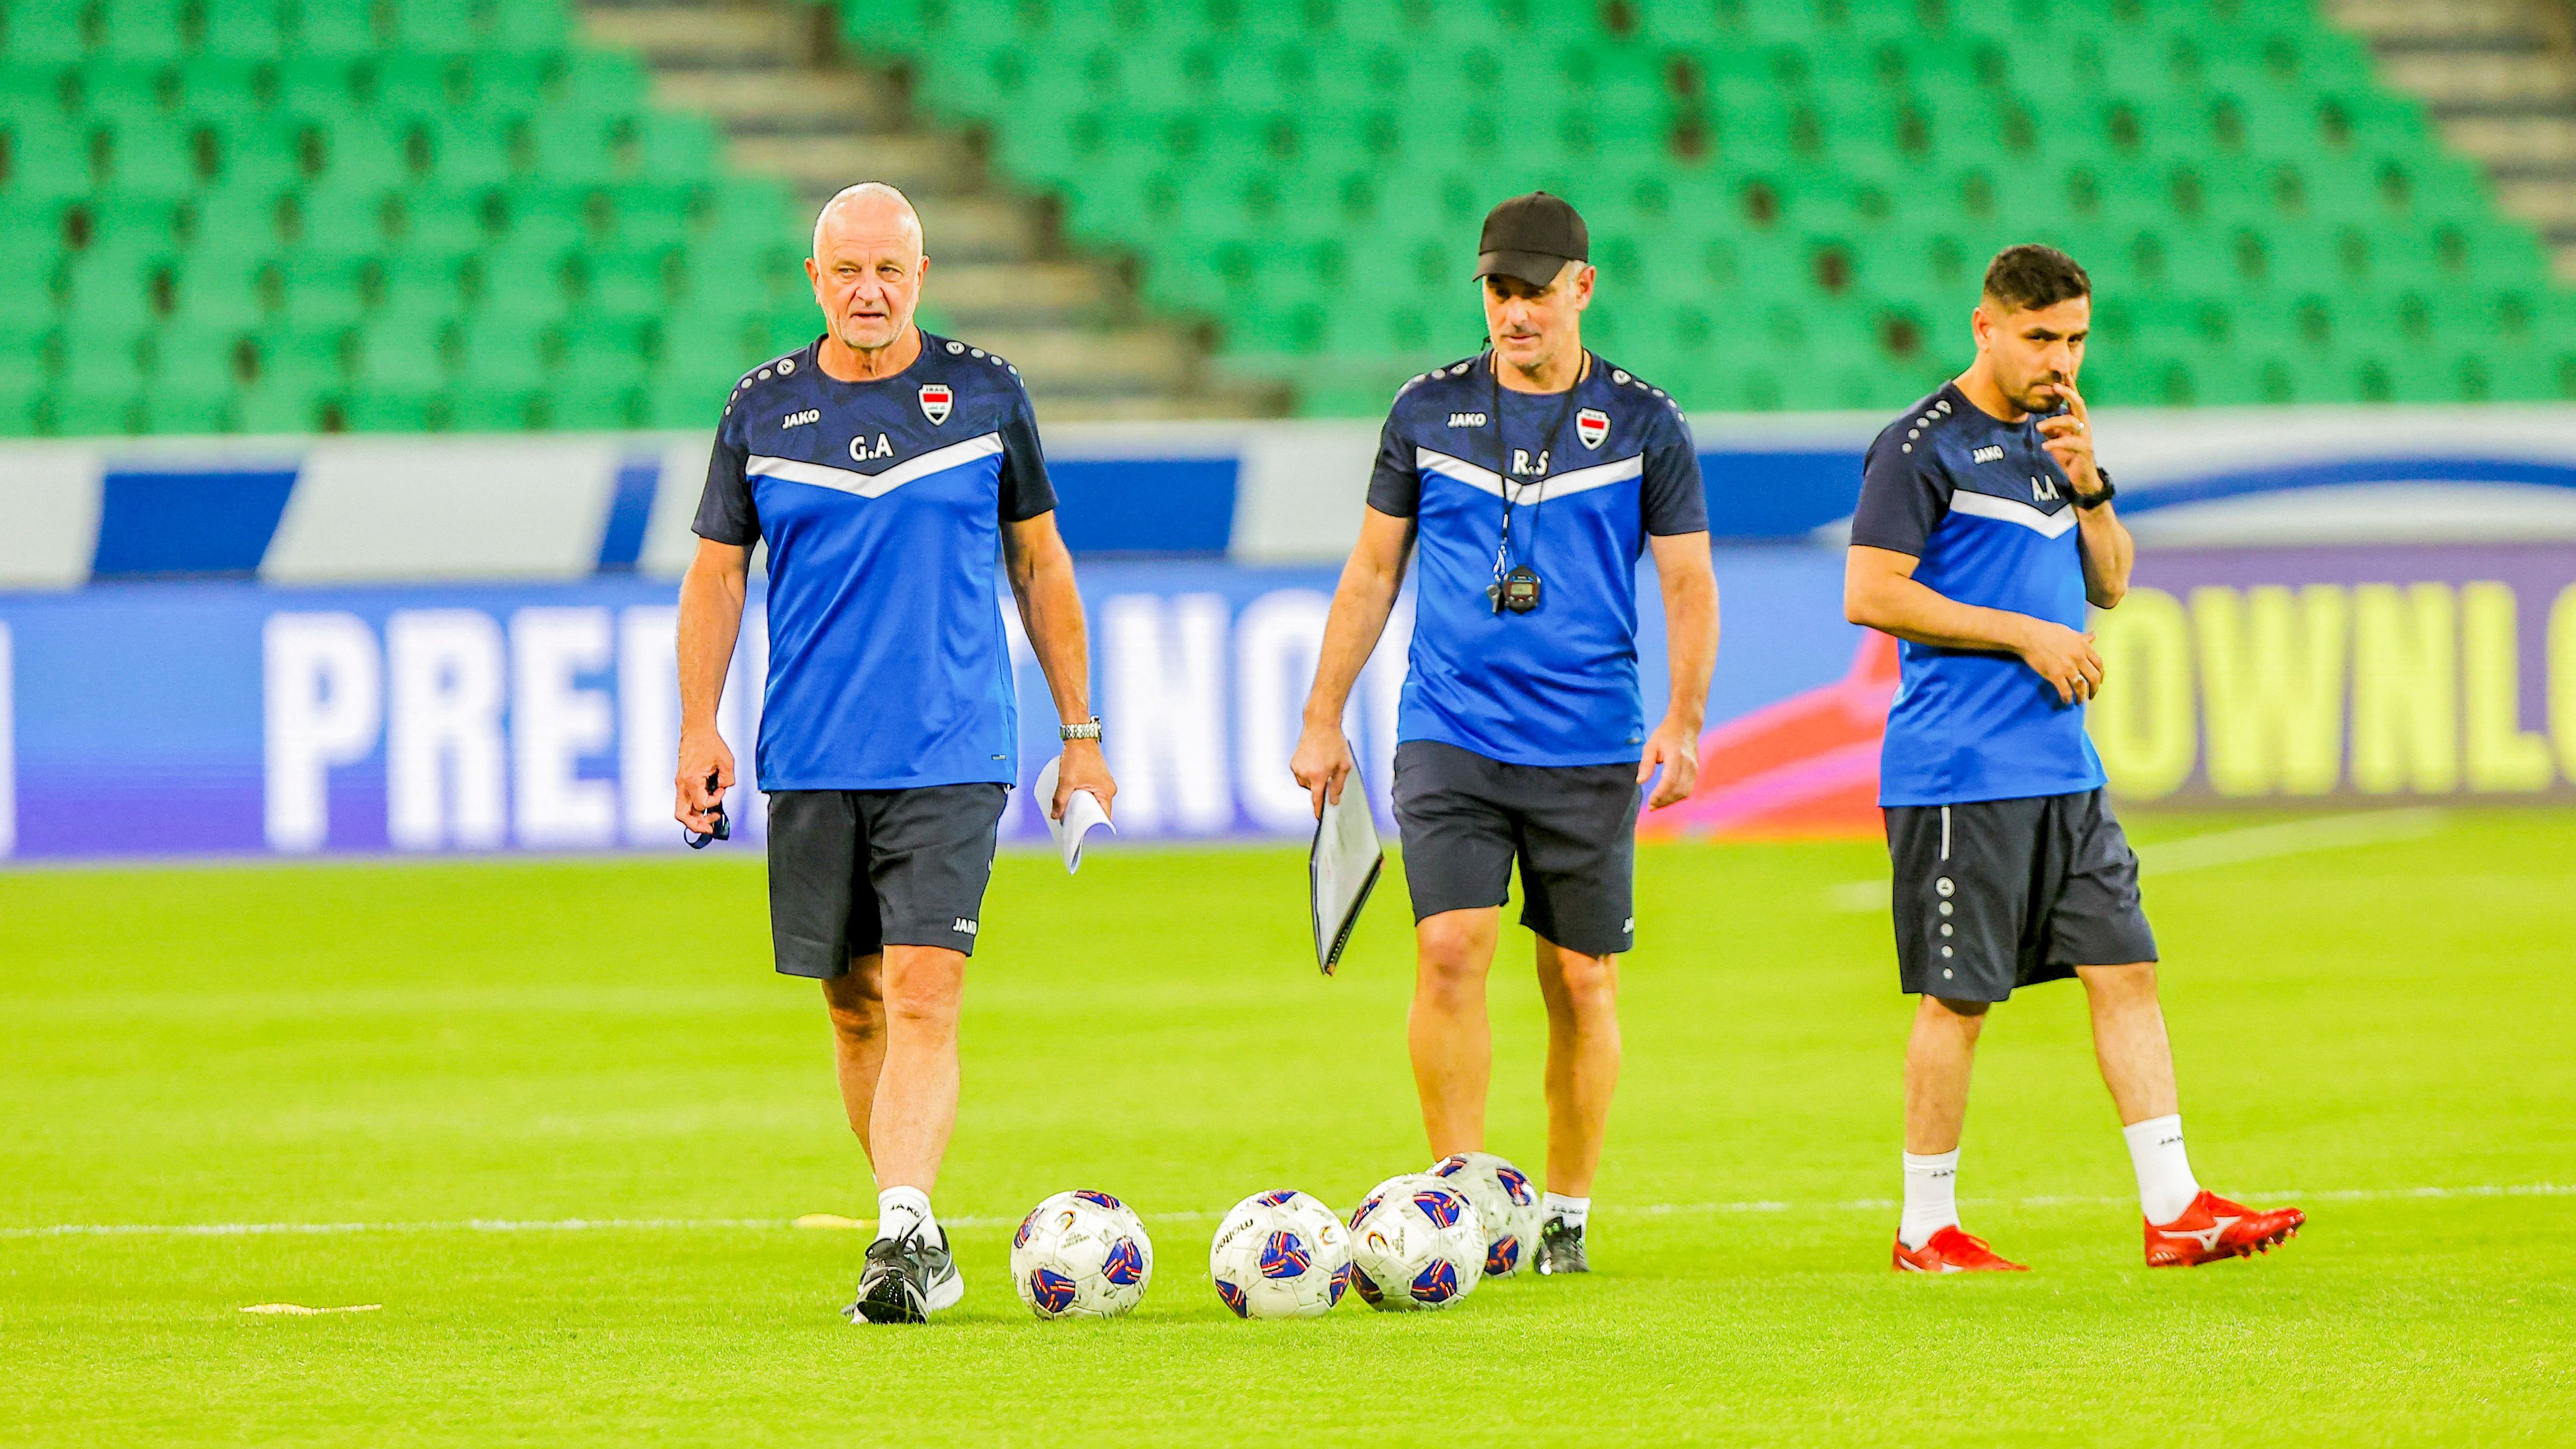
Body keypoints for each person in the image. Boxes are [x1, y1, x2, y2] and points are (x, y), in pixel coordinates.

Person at [673, 182, 1116, 1322]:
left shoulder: (983, 394)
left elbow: (1042, 565)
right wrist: (697, 723)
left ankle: (903, 1230)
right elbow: (718, 575)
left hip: (953, 747)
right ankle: (909, 1226)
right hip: (811, 753)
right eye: (848, 271)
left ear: (922, 277)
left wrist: (1081, 736)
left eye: (891, 270)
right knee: (854, 1006)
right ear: (815, 280)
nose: (870, 290)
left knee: (925, 990)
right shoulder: (761, 410)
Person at [1844, 243, 2305, 1272]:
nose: (2062, 358)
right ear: (1987, 327)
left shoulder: (2059, 441)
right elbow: (1872, 592)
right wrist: (2023, 632)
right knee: (1959, 999)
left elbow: (2113, 583)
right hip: (1962, 770)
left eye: (2077, 338)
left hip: (2064, 768)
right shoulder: (1920, 445)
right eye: (2042, 337)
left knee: (2128, 967)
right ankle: (1926, 1227)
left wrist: (2092, 486)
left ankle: (2175, 1205)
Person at [1292, 192, 1719, 1275]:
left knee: (1581, 979)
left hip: (1587, 739)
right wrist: (1322, 713)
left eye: (1535, 291)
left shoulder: (1644, 423)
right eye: (1498, 291)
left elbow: (1687, 582)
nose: (1515, 312)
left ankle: (1566, 1208)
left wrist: (1684, 715)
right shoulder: (1426, 412)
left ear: (1583, 286)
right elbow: (1374, 569)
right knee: (1448, 951)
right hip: (1450, 728)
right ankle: (1462, 1205)